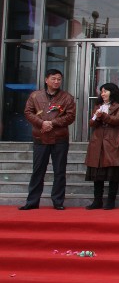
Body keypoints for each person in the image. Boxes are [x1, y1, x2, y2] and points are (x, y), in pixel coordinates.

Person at [20, 69, 76, 210]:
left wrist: (53, 123)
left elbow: (70, 116)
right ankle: (32, 201)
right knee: (38, 171)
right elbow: (28, 112)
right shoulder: (35, 96)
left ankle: (58, 202)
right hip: (41, 137)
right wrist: (41, 123)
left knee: (59, 171)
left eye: (59, 79)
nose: (56, 81)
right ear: (46, 80)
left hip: (59, 138)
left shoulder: (67, 97)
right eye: (53, 78)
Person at [84, 83, 119, 210]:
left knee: (113, 173)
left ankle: (111, 200)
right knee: (97, 174)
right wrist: (97, 117)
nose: (102, 94)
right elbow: (91, 123)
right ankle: (97, 200)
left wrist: (103, 115)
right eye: (101, 91)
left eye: (105, 91)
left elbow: (117, 120)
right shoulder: (98, 106)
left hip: (112, 140)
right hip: (98, 141)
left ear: (112, 92)